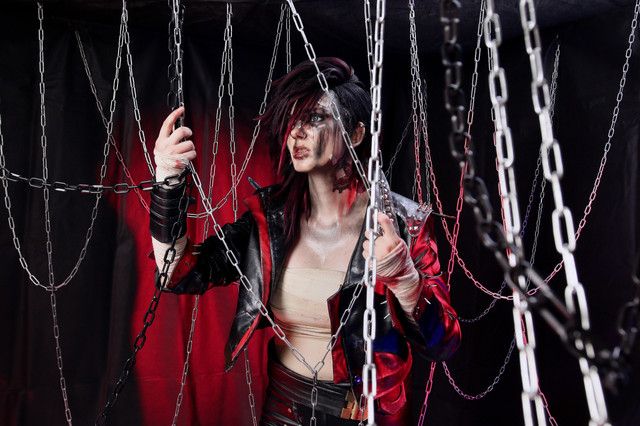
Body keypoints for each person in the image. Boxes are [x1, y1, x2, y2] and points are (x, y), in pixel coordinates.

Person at [149, 57, 461, 425]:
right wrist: (168, 181)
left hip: (369, 414)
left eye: (314, 118)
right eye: (292, 120)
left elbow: (444, 344)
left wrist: (406, 280)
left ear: (355, 135)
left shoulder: (403, 224)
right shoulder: (268, 220)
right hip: (284, 407)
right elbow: (178, 274)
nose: (297, 132)